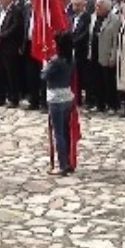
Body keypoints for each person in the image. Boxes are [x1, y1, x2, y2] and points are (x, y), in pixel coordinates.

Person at [42, 32, 76, 175]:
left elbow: (44, 75)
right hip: (67, 96)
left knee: (58, 133)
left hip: (55, 97)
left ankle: (62, 164)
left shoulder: (55, 61)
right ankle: (68, 161)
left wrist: (45, 63)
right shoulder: (71, 59)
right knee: (65, 131)